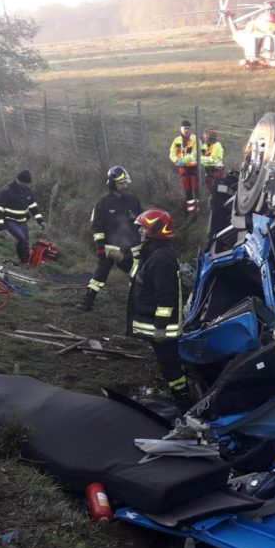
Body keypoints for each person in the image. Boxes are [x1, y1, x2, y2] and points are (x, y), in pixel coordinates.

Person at [126, 208, 191, 412]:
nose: (140, 232)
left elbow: (167, 296)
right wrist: (122, 260)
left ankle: (185, 403)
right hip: (156, 325)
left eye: (144, 228)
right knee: (167, 364)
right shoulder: (153, 254)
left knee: (170, 366)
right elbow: (139, 278)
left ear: (155, 230)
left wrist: (161, 327)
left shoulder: (162, 259)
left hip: (163, 328)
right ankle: (180, 396)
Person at [77, 166, 143, 312]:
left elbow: (142, 220)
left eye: (125, 183)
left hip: (132, 246)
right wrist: (100, 246)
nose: (124, 186)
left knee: (137, 274)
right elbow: (97, 226)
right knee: (100, 274)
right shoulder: (103, 203)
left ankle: (138, 303)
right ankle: (88, 300)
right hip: (110, 247)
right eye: (121, 183)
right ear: (112, 183)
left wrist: (142, 238)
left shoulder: (132, 200)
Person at [0, 170, 47, 264]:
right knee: (22, 239)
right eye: (26, 183)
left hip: (22, 221)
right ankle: (23, 261)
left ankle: (26, 260)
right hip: (9, 220)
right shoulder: (7, 191)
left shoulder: (27, 191)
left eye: (29, 184)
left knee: (25, 241)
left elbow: (33, 207)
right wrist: (1, 227)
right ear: (19, 181)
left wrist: (40, 221)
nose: (28, 186)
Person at [169, 119, 199, 215]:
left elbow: (194, 154)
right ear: (181, 129)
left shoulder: (196, 140)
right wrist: (176, 160)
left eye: (188, 128)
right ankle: (191, 212)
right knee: (187, 190)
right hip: (183, 170)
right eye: (185, 128)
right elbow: (172, 153)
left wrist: (182, 161)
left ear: (191, 130)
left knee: (196, 189)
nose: (186, 130)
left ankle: (199, 210)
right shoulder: (176, 140)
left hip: (193, 169)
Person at [199, 129, 224, 194]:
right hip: (209, 174)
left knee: (220, 190)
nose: (204, 137)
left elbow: (212, 159)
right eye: (204, 136)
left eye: (205, 136)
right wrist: (203, 159)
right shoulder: (204, 146)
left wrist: (201, 159)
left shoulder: (217, 145)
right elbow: (203, 160)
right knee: (212, 192)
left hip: (217, 172)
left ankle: (222, 200)